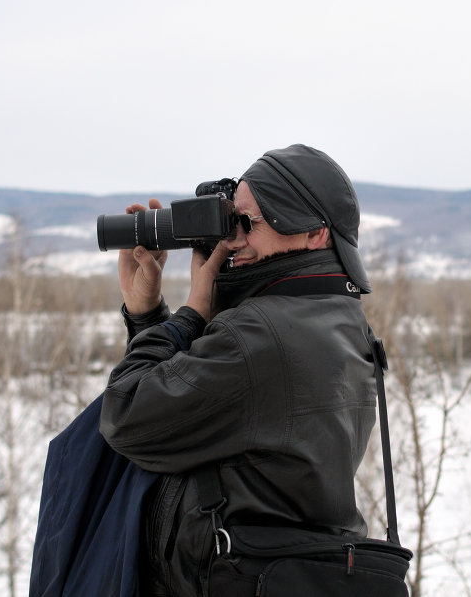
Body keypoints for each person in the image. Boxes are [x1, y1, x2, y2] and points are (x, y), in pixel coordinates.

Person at [99, 143, 377, 596]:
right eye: (231, 219)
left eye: (250, 223)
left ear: (313, 234)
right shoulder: (337, 317)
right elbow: (197, 410)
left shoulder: (260, 333)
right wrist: (149, 317)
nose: (235, 238)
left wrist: (191, 313)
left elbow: (128, 416)